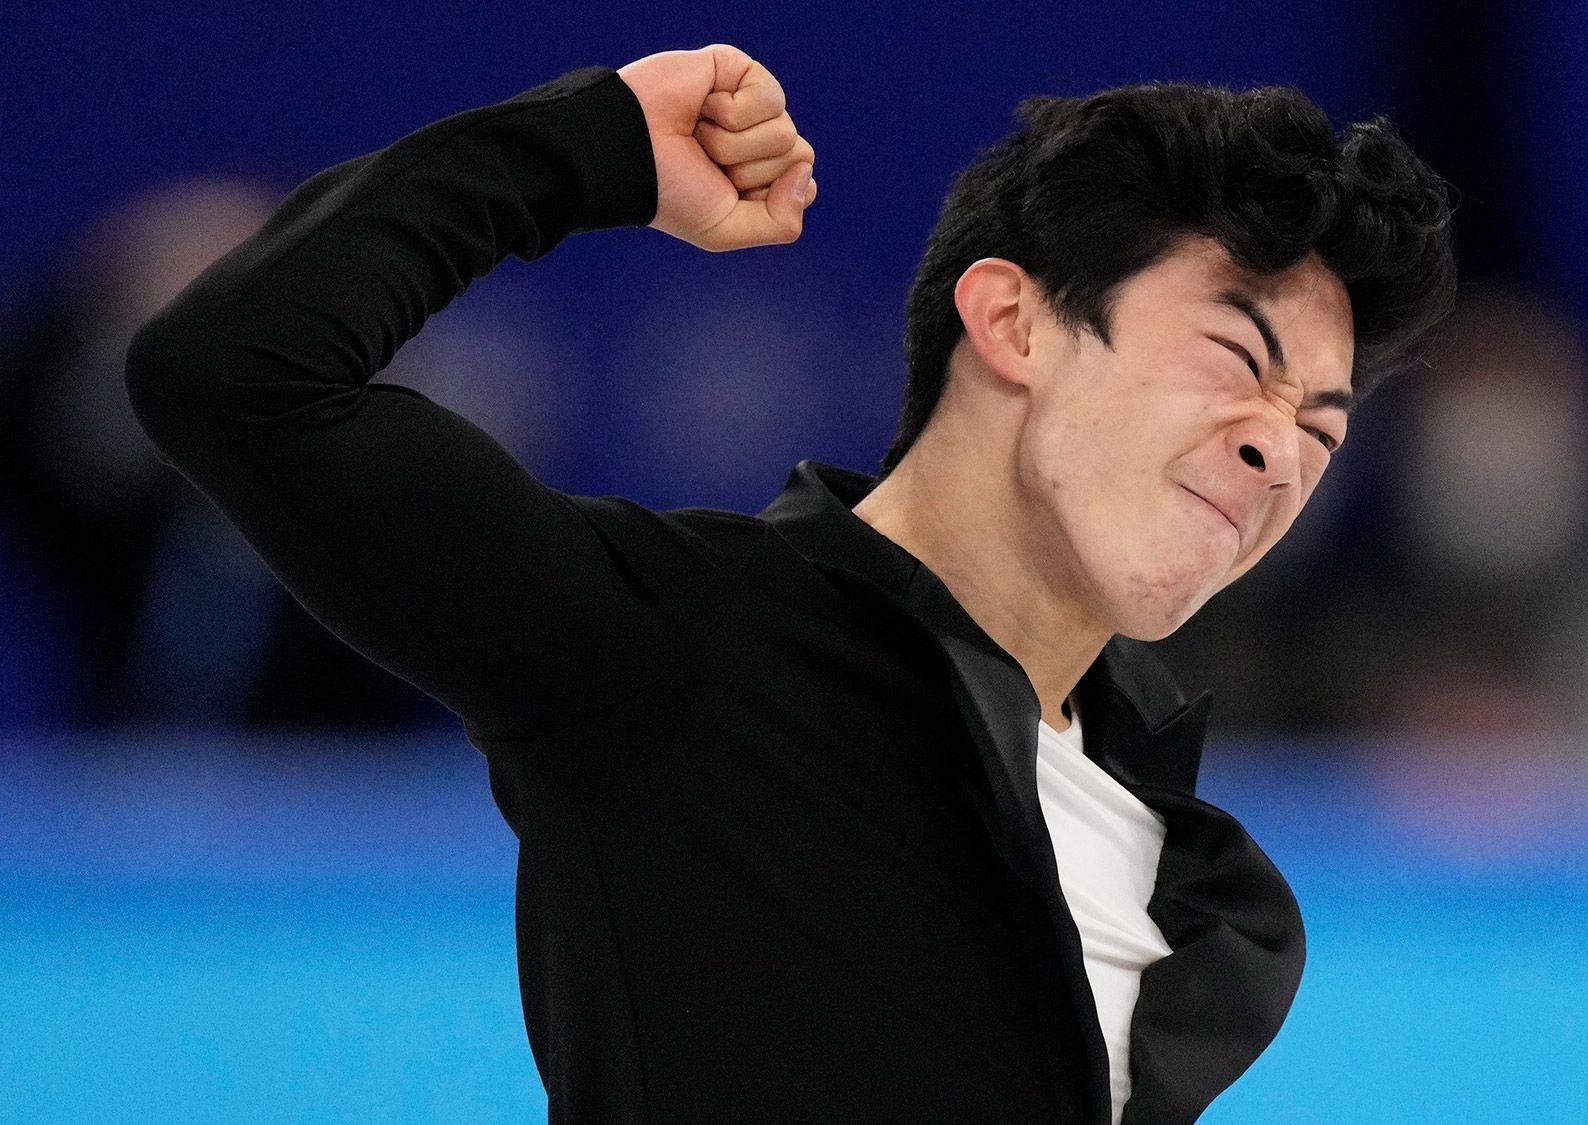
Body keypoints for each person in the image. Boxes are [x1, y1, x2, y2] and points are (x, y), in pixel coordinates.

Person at [126, 43, 1454, 1124]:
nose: (1278, 447)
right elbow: (237, 369)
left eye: (1324, 429)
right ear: (1013, 323)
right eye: (1236, 353)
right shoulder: (681, 647)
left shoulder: (1216, 901)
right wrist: (580, 151)